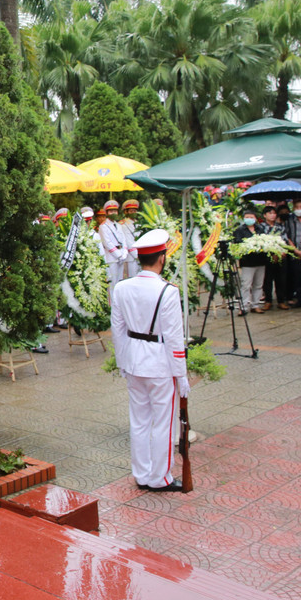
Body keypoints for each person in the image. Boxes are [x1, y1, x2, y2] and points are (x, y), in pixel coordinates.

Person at [110, 229, 189, 492]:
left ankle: (142, 474)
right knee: (163, 423)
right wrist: (181, 374)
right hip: (159, 364)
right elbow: (174, 338)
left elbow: (118, 331)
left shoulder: (122, 288)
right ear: (162, 258)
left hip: (134, 361)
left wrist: (122, 362)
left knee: (139, 421)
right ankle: (159, 478)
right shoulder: (167, 291)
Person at [232, 206, 267, 315]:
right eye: (247, 217)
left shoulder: (260, 229)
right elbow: (237, 243)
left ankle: (255, 305)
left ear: (255, 218)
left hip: (260, 260)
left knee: (258, 284)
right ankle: (243, 306)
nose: (249, 219)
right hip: (247, 262)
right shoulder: (240, 230)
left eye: (251, 217)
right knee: (246, 285)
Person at [283, 198, 301, 308]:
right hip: (295, 252)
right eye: (296, 207)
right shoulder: (289, 220)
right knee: (297, 276)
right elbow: (287, 236)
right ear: (293, 208)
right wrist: (296, 250)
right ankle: (300, 300)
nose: (299, 209)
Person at [258, 205, 289, 310]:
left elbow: (284, 240)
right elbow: (261, 242)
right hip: (267, 257)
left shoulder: (280, 226)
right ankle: (268, 301)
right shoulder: (261, 227)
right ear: (264, 215)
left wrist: (280, 251)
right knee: (267, 279)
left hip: (280, 255)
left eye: (274, 213)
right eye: (270, 213)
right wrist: (272, 253)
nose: (272, 215)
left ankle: (281, 301)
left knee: (281, 279)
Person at [97, 200, 128, 293]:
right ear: (106, 213)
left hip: (121, 255)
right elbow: (107, 243)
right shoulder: (103, 226)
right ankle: (112, 302)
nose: (113, 213)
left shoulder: (118, 225)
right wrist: (119, 255)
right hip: (111, 258)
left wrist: (124, 253)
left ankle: (118, 301)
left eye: (115, 211)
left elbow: (123, 240)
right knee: (112, 283)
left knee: (120, 282)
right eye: (111, 211)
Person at [119, 200, 141, 278]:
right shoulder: (123, 225)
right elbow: (128, 242)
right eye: (131, 211)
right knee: (132, 277)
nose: (133, 213)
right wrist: (137, 256)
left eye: (135, 211)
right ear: (126, 212)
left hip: (141, 255)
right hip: (131, 257)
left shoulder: (139, 223)